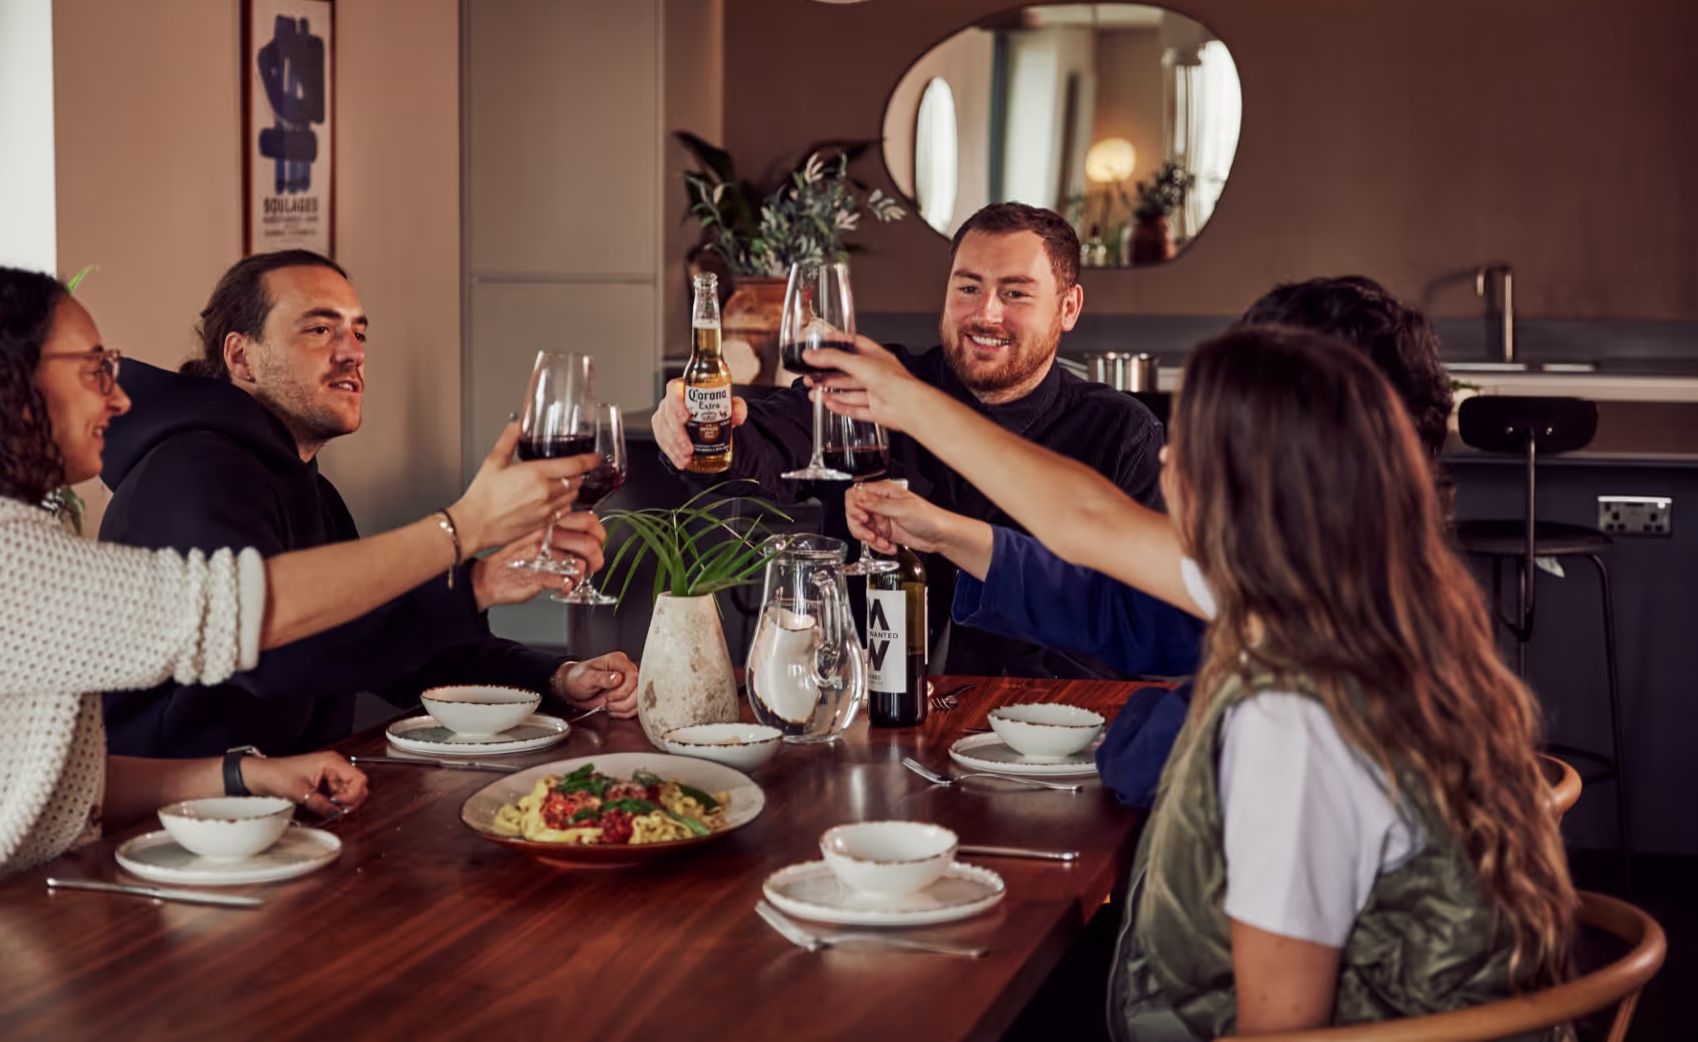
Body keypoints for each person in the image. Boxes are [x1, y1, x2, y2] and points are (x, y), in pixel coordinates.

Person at [811, 326, 1574, 1035]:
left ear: (1250, 490)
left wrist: (911, 405)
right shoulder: (1347, 597)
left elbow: (1279, 1028)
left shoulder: (1294, 720)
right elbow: (1087, 520)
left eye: (1187, 447)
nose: (1165, 464)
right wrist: (909, 406)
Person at [0, 266, 595, 954]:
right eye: (93, 370)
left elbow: (51, 785)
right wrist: (460, 534)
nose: (118, 395)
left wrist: (242, 774)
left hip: (8, 931)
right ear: (1, 385)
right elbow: (245, 615)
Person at [844, 276, 1454, 803]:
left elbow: (1089, 521)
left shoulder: (1299, 705)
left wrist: (908, 401)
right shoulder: (1331, 580)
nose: (1172, 454)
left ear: (1295, 455)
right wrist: (945, 532)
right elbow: (1111, 595)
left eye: (1218, 429)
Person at [101, 252, 639, 759]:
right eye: (319, 329)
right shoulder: (192, 472)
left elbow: (391, 652)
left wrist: (558, 678)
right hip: (186, 830)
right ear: (242, 357)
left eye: (358, 331)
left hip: (293, 806)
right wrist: (470, 571)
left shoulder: (309, 489)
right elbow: (274, 652)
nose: (352, 351)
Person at [652, 203, 1163, 677]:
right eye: (968, 288)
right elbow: (757, 446)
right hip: (875, 720)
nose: (985, 314)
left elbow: (1142, 625)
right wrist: (695, 429)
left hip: (1053, 736)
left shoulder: (1122, 433)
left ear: (1068, 308)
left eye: (1015, 293)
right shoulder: (877, 381)